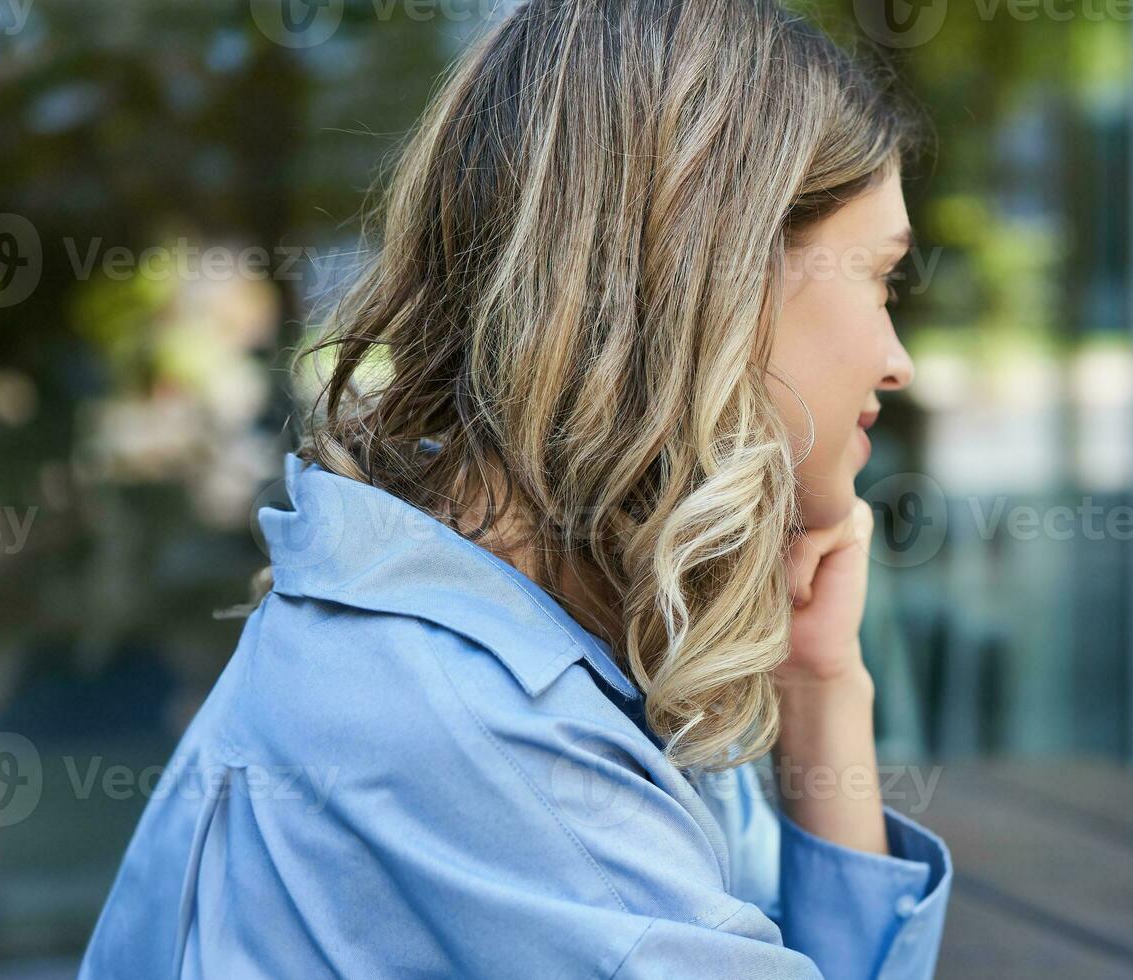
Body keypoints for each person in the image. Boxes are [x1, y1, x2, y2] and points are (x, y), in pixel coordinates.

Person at [80, 1, 942, 976]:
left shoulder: (576, 625)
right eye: (876, 276)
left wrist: (822, 685)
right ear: (713, 282)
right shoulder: (468, 715)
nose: (896, 359)